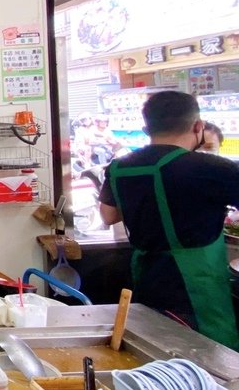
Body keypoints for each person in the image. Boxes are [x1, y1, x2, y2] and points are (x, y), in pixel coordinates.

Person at [99, 91, 239, 348]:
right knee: (209, 355)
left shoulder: (120, 167)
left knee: (154, 347)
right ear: (198, 126)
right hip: (196, 288)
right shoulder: (213, 168)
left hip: (146, 275)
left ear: (145, 128)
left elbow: (108, 215)